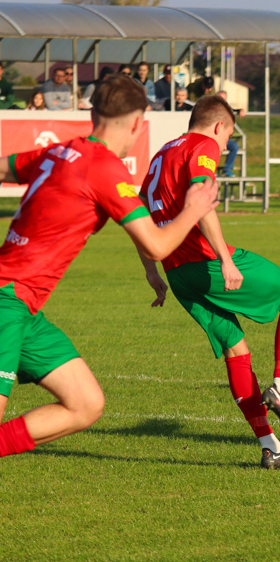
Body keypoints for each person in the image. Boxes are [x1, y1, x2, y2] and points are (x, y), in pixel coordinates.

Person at [0, 74, 219, 460]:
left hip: (24, 307)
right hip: (6, 302)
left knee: (85, 404)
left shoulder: (61, 151)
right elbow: (157, 245)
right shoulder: (104, 168)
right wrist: (193, 209)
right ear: (138, 122)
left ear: (93, 112)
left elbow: (4, 168)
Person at [138, 95, 280, 469]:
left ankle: (272, 448)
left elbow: (138, 213)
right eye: (229, 136)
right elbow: (202, 200)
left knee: (236, 351)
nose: (226, 146)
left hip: (176, 272)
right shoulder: (202, 145)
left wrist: (152, 270)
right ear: (219, 126)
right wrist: (226, 259)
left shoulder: (161, 153)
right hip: (205, 261)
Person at [216, 90, 244, 177]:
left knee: (234, 146)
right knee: (212, 148)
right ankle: (210, 170)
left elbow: (233, 111)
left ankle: (227, 170)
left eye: (224, 99)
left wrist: (240, 110)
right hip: (212, 138)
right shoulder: (210, 110)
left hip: (222, 139)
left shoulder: (226, 109)